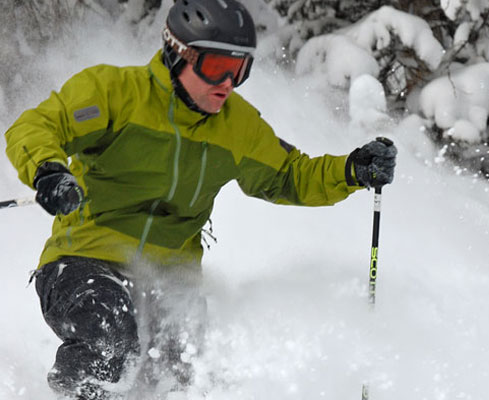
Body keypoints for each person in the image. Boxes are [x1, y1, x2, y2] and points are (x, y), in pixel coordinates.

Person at [4, 0, 397, 399]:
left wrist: (351, 170)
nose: (226, 82)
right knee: (110, 335)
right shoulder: (115, 93)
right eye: (215, 67)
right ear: (178, 54)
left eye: (239, 69)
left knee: (183, 373)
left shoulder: (236, 126)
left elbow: (290, 176)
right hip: (85, 260)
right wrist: (49, 170)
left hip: (170, 278)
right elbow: (39, 126)